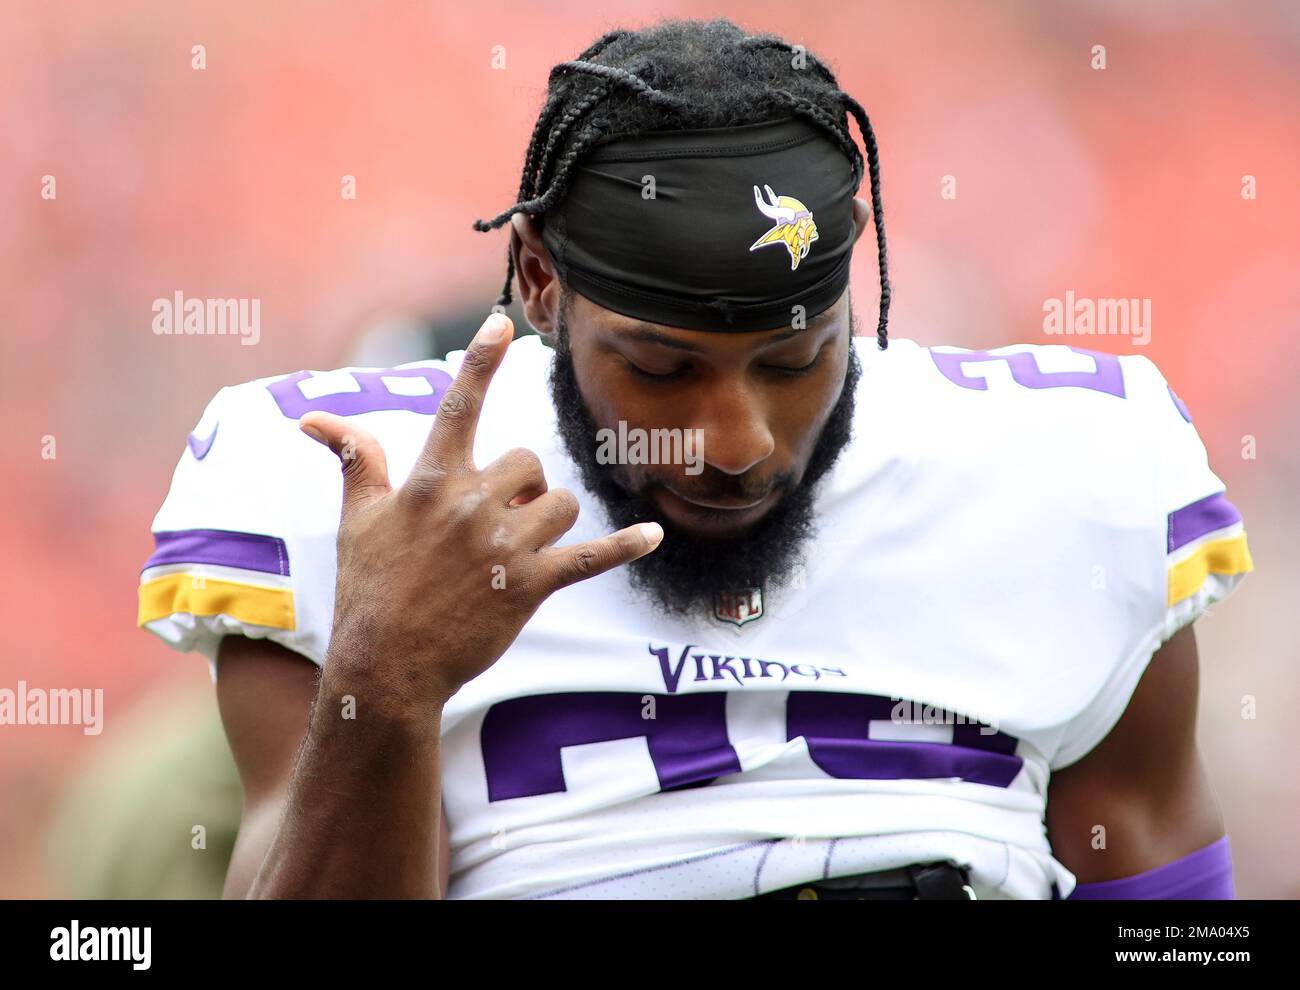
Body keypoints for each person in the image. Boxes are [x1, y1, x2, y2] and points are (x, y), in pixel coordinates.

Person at [137, 18, 1252, 899]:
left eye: (795, 360)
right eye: (663, 371)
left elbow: (1154, 885)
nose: (739, 444)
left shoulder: (1068, 469)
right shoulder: (363, 489)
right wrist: (385, 679)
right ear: (536, 284)